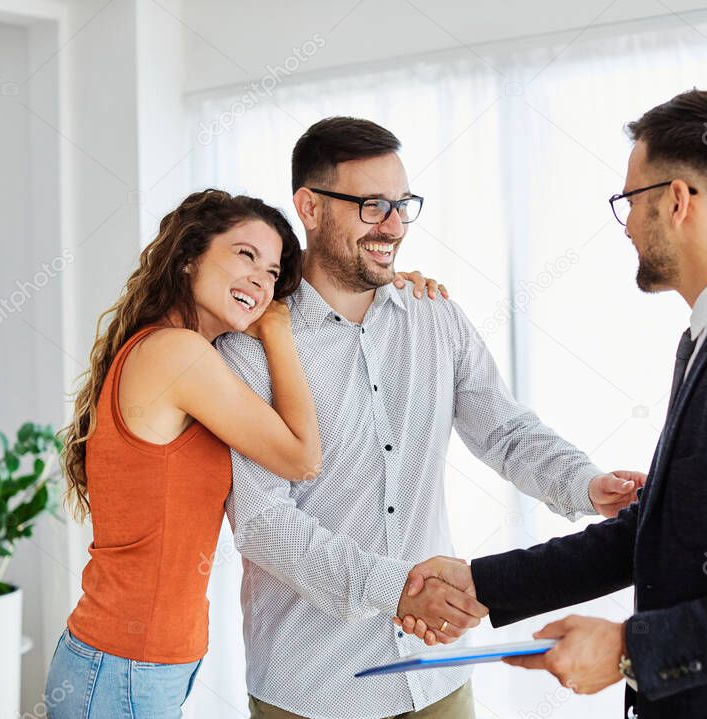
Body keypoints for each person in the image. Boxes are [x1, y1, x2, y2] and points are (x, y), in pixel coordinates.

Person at [400, 90, 707, 719]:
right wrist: (483, 584)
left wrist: (629, 649)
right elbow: (657, 533)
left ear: (676, 201)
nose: (624, 225)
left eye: (629, 202)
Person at [214, 116, 645, 719]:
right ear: (309, 208)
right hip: (313, 686)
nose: (393, 225)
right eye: (370, 205)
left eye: (401, 204)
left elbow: (504, 430)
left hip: (434, 676)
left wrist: (585, 484)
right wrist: (401, 590)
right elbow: (264, 525)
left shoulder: (434, 316)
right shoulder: (247, 351)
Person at [45, 189, 442, 718]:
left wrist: (386, 281)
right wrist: (278, 333)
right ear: (189, 258)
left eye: (274, 272)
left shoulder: (189, 354)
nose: (261, 279)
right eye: (244, 255)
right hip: (122, 662)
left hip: (146, 661)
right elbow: (303, 458)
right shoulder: (175, 355)